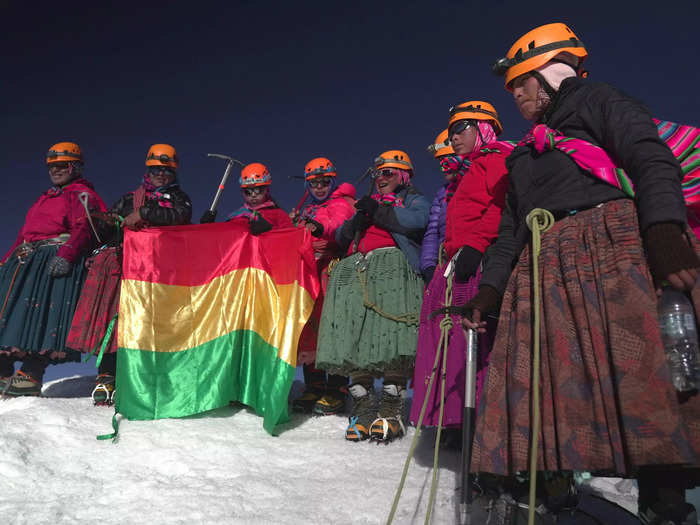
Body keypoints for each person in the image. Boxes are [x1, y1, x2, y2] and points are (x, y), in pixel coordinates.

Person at [461, 23, 700, 523]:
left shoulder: (596, 100)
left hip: (613, 256)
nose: (516, 96)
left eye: (520, 83)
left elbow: (648, 154)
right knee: (547, 382)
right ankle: (553, 495)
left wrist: (663, 228)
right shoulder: (524, 155)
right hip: (543, 270)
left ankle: (667, 504)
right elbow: (510, 232)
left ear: (547, 72)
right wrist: (488, 291)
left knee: (645, 375)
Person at [315, 150, 429, 442]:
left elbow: (419, 220)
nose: (381, 178)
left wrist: (380, 212)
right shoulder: (365, 206)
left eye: (388, 172)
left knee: (391, 334)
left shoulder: (412, 200)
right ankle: (363, 412)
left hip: (391, 268)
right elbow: (340, 237)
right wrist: (356, 221)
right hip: (358, 269)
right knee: (358, 336)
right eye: (378, 173)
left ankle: (391, 413)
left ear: (404, 174)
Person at [411, 104, 512, 435]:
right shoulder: (471, 170)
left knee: (480, 342)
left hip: (481, 262)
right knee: (452, 337)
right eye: (451, 130)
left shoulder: (496, 159)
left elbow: (502, 205)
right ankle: (460, 422)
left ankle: (486, 426)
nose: (454, 136)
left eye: (463, 127)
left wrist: (476, 244)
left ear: (484, 128)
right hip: (460, 260)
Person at [65, 144, 192, 405]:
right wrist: (101, 221)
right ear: (148, 170)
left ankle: (149, 375)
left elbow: (181, 216)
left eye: (166, 171)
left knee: (151, 322)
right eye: (156, 170)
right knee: (117, 320)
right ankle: (107, 375)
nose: (160, 175)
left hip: (161, 270)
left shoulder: (179, 199)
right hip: (127, 266)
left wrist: (144, 213)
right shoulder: (128, 198)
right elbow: (112, 224)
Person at [0, 142, 107, 396]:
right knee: (12, 315)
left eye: (62, 165)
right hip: (26, 260)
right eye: (52, 166)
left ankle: (31, 373)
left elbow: (84, 226)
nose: (56, 171)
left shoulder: (81, 194)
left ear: (75, 166)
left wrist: (67, 255)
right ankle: (3, 370)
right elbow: (24, 234)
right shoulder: (45, 198)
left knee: (46, 317)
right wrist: (6, 260)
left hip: (56, 256)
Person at [226, 163, 292, 232]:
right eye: (248, 192)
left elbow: (289, 235)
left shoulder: (278, 214)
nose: (253, 195)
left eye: (258, 190)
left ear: (266, 190)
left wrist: (269, 229)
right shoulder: (237, 216)